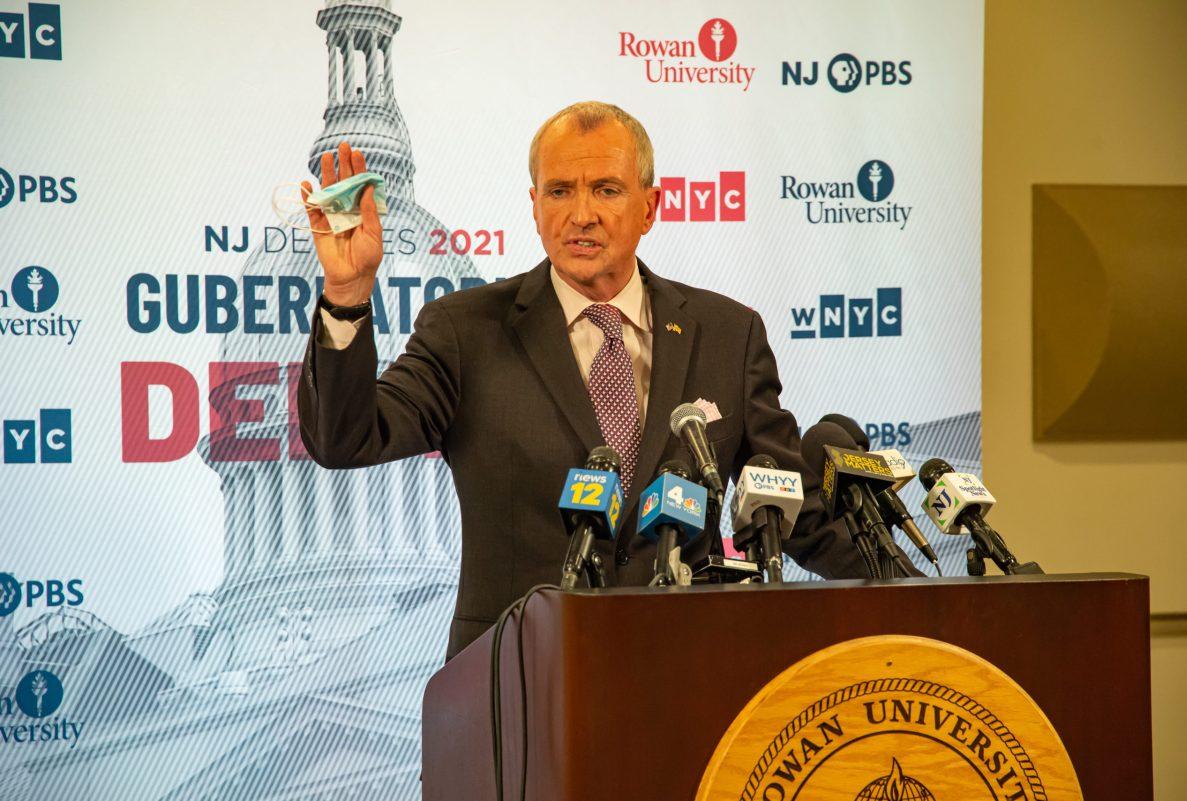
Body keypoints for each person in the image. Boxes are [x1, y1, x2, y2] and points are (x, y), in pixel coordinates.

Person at [299, 101, 884, 659]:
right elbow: (345, 438)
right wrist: (347, 297)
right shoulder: (466, 331)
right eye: (559, 191)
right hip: (519, 685)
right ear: (534, 205)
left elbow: (791, 510)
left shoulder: (729, 335)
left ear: (650, 207)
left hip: (688, 680)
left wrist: (913, 606)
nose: (581, 215)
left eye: (606, 189)